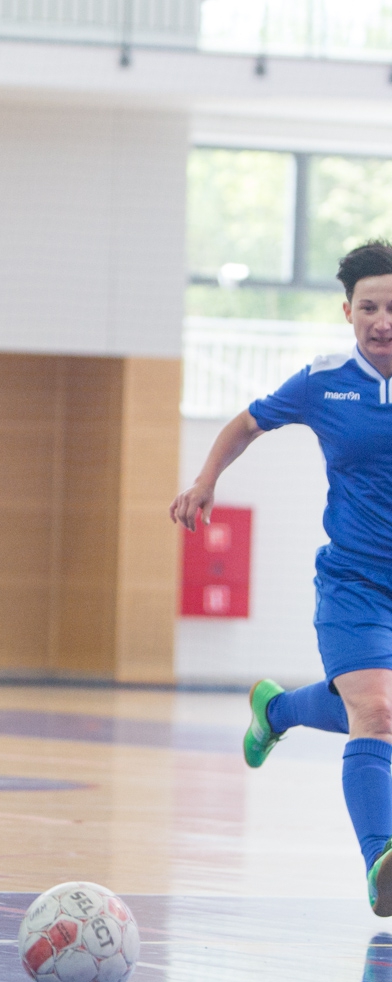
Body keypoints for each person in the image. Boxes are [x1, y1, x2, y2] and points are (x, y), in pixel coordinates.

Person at [171, 240, 392, 915]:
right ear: (347, 311)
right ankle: (381, 859)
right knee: (379, 710)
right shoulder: (326, 380)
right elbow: (248, 421)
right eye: (370, 307)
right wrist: (207, 479)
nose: (383, 319)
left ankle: (278, 709)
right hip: (356, 583)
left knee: (370, 705)